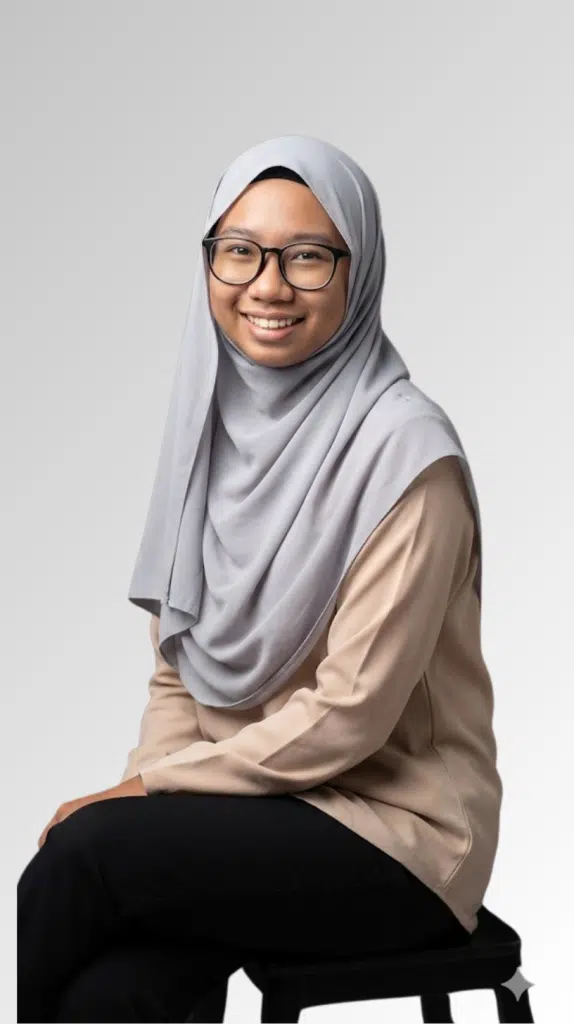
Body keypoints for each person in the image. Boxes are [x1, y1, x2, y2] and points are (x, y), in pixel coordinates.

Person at [17, 136, 503, 1023]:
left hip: (395, 839)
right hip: (242, 817)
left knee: (79, 858)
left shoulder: (406, 456)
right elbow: (180, 662)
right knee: (111, 993)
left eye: (307, 257)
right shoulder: (211, 427)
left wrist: (145, 797)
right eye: (239, 250)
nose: (267, 286)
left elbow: (350, 715)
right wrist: (155, 784)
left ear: (359, 272)